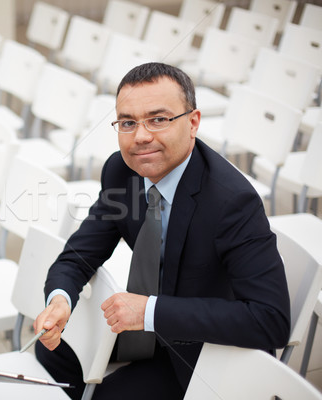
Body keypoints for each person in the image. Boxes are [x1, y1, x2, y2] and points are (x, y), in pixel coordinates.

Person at [33, 62, 291, 399]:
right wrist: (60, 300)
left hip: (202, 351)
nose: (141, 136)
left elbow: (271, 320)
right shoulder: (121, 172)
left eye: (158, 119)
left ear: (193, 122)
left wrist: (150, 312)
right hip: (144, 330)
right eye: (128, 123)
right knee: (53, 352)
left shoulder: (232, 202)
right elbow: (78, 254)